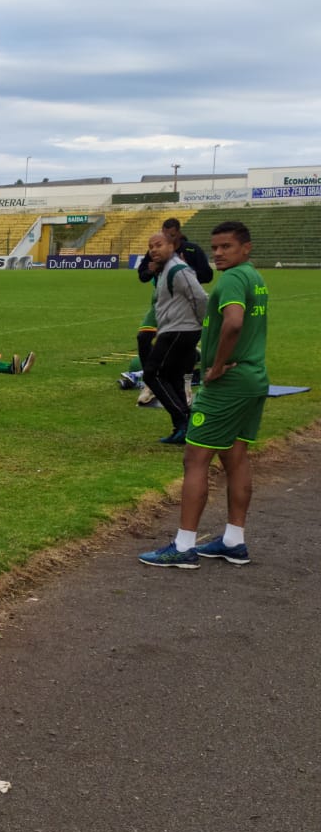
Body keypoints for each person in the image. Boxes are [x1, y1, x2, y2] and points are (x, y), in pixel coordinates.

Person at [139, 220, 268, 569]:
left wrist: (216, 367)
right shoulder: (255, 277)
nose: (218, 253)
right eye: (215, 248)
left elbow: (234, 322)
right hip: (253, 377)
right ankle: (234, 541)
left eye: (227, 247)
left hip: (228, 383)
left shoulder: (233, 279)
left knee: (195, 459)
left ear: (246, 248)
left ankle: (183, 546)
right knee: (236, 456)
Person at [139, 232, 207, 444]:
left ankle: (182, 420)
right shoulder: (166, 269)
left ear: (172, 246)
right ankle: (183, 427)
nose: (153, 250)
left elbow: (200, 297)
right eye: (151, 246)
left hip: (180, 330)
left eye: (158, 245)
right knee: (173, 377)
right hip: (176, 329)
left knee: (153, 374)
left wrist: (199, 322)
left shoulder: (178, 269)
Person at [135, 217, 212, 383]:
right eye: (164, 234)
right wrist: (151, 271)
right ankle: (150, 379)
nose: (167, 238)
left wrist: (186, 270)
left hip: (185, 302)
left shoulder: (192, 250)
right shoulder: (156, 252)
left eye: (171, 235)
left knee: (183, 344)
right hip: (160, 302)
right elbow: (142, 276)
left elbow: (207, 275)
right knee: (143, 337)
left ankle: (184, 380)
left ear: (178, 234)